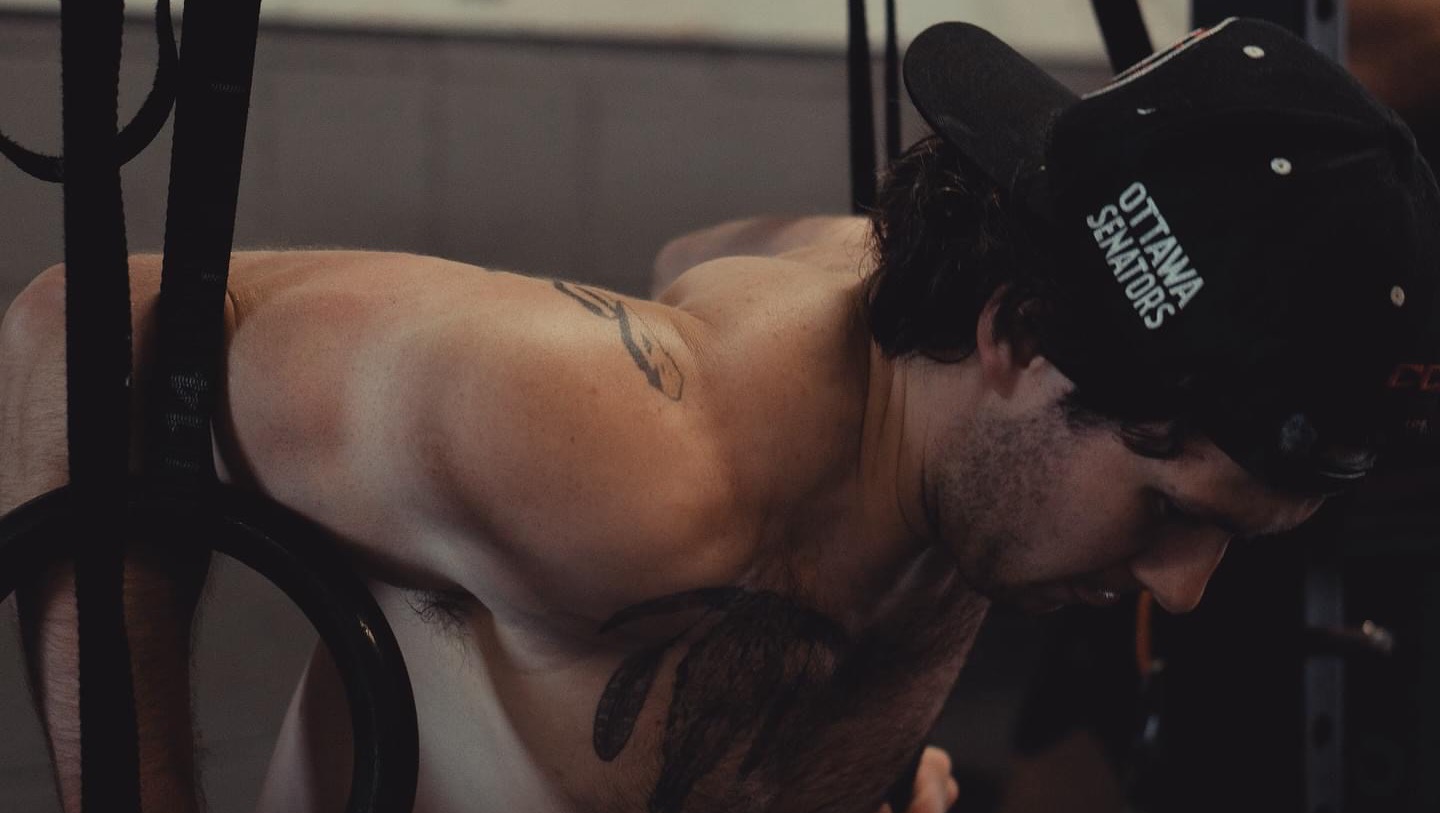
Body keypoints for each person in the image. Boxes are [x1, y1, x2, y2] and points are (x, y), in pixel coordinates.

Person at [4, 15, 1437, 813]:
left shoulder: (962, 448)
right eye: (1169, 503)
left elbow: (711, 248)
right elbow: (85, 331)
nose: (1184, 588)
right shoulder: (610, 448)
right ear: (1017, 334)